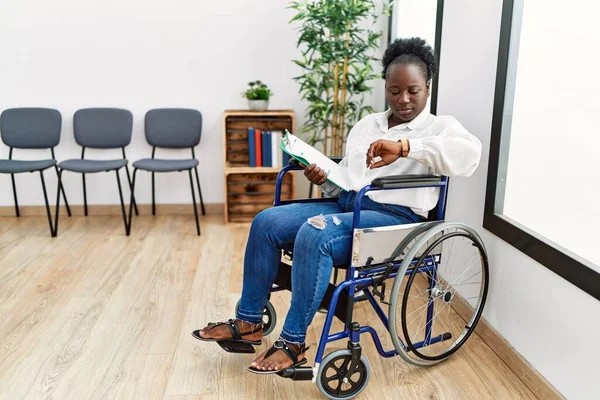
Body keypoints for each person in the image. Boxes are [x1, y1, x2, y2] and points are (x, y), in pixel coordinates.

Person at [192, 37, 482, 374]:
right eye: (394, 90)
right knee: (267, 222)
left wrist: (404, 146)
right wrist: (322, 175)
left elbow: (469, 156)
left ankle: (293, 341)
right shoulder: (366, 125)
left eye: (413, 91)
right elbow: (348, 178)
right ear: (385, 87)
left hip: (394, 219)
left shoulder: (440, 127)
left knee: (315, 235)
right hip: (347, 205)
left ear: (428, 88)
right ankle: (248, 322)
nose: (403, 99)